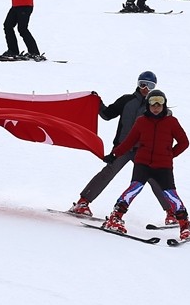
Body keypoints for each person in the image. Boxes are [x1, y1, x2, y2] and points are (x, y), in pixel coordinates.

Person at [66, 71, 178, 226]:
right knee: (108, 173)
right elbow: (107, 114)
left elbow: (164, 122)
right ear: (137, 84)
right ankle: (82, 203)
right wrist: (96, 102)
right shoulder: (127, 101)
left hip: (144, 151)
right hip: (123, 147)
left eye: (149, 86)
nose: (145, 88)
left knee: (154, 179)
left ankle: (171, 213)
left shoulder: (154, 106)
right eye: (142, 84)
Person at [99, 87, 190, 241]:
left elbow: (184, 142)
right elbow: (129, 142)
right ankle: (115, 218)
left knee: (171, 194)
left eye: (159, 104)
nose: (156, 107)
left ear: (164, 105)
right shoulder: (141, 121)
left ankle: (184, 226)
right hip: (142, 163)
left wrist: (170, 155)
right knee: (134, 188)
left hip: (163, 166)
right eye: (152, 104)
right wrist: (114, 154)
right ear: (148, 105)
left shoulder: (171, 122)